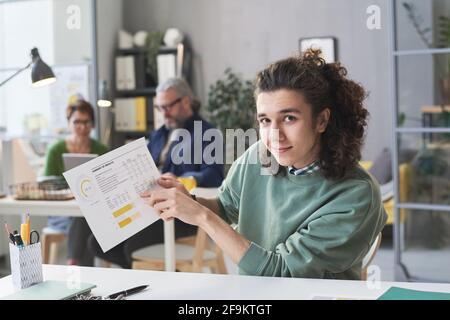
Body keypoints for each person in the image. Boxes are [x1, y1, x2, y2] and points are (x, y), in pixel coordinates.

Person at [142, 50, 387, 279]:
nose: (274, 135)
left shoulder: (356, 194)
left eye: (289, 118)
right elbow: (227, 208)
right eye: (265, 120)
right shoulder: (260, 156)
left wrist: (202, 217)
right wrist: (191, 202)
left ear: (321, 120)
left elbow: (280, 272)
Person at [88, 78, 224, 268]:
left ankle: (150, 282)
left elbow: (215, 175)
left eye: (168, 106)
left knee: (131, 248)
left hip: (181, 213)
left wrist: (183, 181)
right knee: (98, 242)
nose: (164, 113)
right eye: (160, 108)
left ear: (186, 101)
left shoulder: (207, 134)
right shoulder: (158, 134)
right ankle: (146, 277)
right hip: (149, 208)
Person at [44, 98, 109, 266]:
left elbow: (108, 182)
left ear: (93, 124)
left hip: (92, 211)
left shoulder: (101, 150)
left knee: (85, 216)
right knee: (82, 219)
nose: (82, 127)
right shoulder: (56, 150)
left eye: (86, 122)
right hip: (62, 213)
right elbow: (48, 185)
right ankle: (80, 269)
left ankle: (74, 264)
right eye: (77, 122)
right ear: (69, 124)